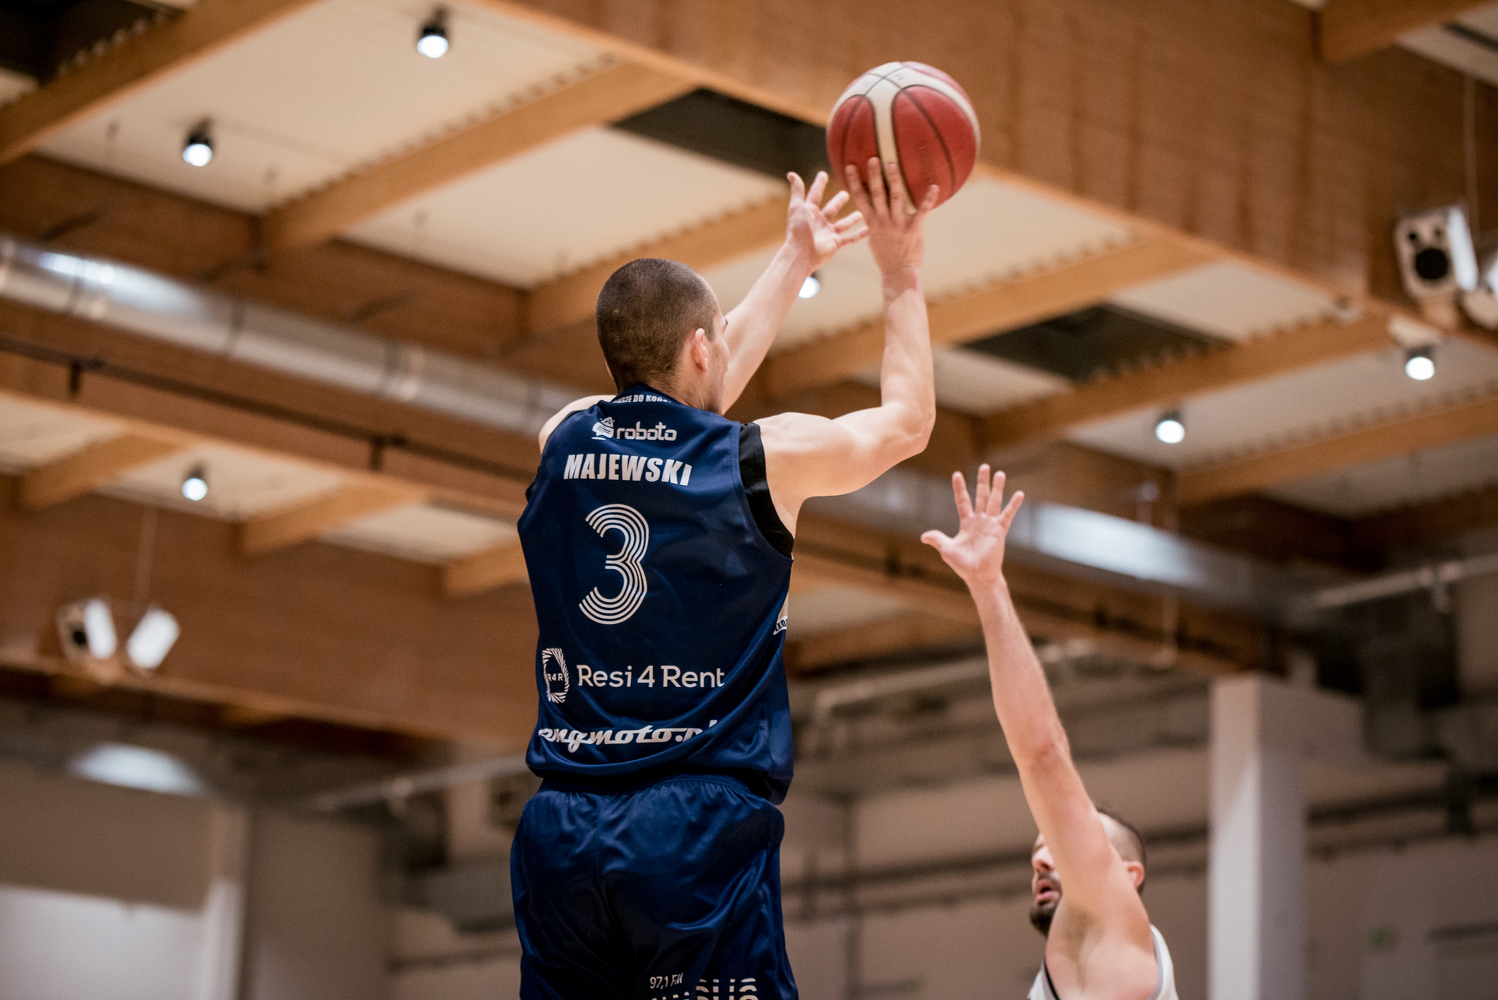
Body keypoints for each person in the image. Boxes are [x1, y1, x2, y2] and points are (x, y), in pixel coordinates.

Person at [511, 158, 940, 1000]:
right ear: (702, 347)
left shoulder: (561, 440)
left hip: (560, 829)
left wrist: (795, 257)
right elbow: (909, 421)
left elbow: (687, 390)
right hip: (690, 826)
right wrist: (900, 271)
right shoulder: (759, 459)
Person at [920, 466, 1179, 1000]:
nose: (1039, 859)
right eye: (1042, 846)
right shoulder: (1073, 966)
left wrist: (989, 587)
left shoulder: (1114, 931)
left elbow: (1043, 755)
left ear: (1128, 876)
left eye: (1061, 845)